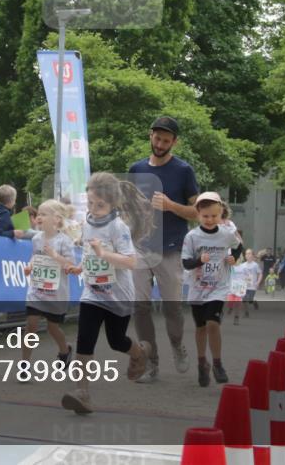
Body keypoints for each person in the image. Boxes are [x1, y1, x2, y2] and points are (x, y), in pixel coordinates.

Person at [61, 172, 153, 415]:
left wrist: (103, 254)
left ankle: (139, 352)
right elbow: (92, 255)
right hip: (92, 294)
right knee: (85, 341)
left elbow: (131, 262)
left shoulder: (118, 227)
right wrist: (79, 267)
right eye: (90, 203)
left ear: (113, 204)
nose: (94, 209)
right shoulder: (88, 223)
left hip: (118, 295)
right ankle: (82, 392)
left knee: (116, 341)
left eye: (100, 205)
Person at [127, 115, 199, 381]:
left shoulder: (183, 171)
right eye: (157, 138)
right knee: (140, 307)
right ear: (150, 136)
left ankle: (177, 345)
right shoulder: (136, 169)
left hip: (170, 247)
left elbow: (196, 211)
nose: (160, 144)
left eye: (166, 141)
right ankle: (150, 362)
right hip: (141, 247)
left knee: (172, 308)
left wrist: (170, 206)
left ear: (174, 142)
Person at [181, 192, 240, 386]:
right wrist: (199, 260)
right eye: (205, 216)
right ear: (198, 214)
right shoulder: (192, 237)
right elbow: (186, 263)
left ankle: (217, 363)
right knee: (200, 327)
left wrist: (234, 258)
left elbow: (238, 246)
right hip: (198, 288)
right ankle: (201, 363)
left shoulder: (226, 234)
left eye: (214, 216)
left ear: (221, 214)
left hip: (218, 287)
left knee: (213, 324)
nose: (209, 220)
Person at [21, 199, 77, 367]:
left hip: (56, 293)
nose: (39, 217)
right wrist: (30, 266)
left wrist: (54, 255)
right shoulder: (37, 238)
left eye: (44, 214)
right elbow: (35, 256)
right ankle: (25, 363)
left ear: (57, 219)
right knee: (31, 324)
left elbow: (70, 264)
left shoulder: (64, 241)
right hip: (37, 290)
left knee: (52, 327)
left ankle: (65, 350)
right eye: (38, 214)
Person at [230, 249, 262, 323]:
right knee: (244, 300)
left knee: (249, 299)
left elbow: (260, 273)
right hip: (244, 286)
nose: (248, 255)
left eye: (249, 254)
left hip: (252, 286)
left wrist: (258, 282)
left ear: (252, 255)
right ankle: (246, 312)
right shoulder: (243, 265)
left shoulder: (255, 265)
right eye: (246, 254)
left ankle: (253, 302)